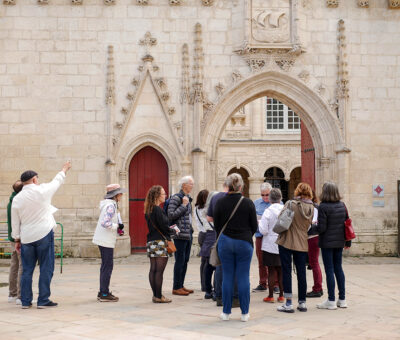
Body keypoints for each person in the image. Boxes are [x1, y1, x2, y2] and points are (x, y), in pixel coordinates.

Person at [11, 161, 72, 309]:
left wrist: (17, 239)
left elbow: (15, 222)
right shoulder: (42, 190)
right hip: (44, 234)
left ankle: (25, 301)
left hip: (26, 237)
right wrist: (64, 169)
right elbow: (56, 181)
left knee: (27, 270)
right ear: (34, 179)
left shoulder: (17, 199)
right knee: (46, 267)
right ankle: (43, 299)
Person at [214, 173, 258, 322]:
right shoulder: (248, 203)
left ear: (228, 185)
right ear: (240, 187)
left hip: (225, 241)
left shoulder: (220, 202)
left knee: (227, 277)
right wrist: (245, 235)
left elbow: (217, 226)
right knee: (243, 277)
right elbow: (254, 226)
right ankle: (245, 313)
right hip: (244, 242)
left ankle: (226, 312)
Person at [309, 182, 351, 310]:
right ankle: (342, 299)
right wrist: (348, 241)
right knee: (339, 268)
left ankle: (331, 300)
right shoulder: (342, 205)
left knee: (329, 270)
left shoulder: (323, 207)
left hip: (327, 243)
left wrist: (311, 227)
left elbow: (322, 228)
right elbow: (347, 223)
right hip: (339, 242)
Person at [276, 182, 314, 313]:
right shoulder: (311, 208)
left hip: (287, 240)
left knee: (286, 271)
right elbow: (309, 225)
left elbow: (280, 218)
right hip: (302, 242)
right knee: (301, 272)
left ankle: (288, 303)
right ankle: (302, 302)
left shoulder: (290, 204)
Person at [206, 183, 239, 308]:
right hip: (236, 236)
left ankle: (219, 295)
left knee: (220, 266)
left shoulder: (215, 198)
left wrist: (219, 224)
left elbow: (209, 218)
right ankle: (235, 298)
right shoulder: (241, 199)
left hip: (220, 235)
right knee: (235, 267)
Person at [93, 183, 126, 302]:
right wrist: (117, 226)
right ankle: (104, 294)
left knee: (105, 266)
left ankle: (103, 291)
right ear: (115, 195)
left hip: (103, 238)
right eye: (120, 193)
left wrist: (117, 228)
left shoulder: (108, 204)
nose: (121, 195)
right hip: (105, 240)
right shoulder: (111, 206)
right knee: (107, 266)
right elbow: (105, 223)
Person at [144, 185, 173, 303]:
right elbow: (164, 226)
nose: (165, 195)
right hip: (160, 242)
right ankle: (159, 296)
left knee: (153, 269)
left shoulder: (149, 209)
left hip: (151, 241)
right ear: (157, 195)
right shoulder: (157, 209)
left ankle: (155, 295)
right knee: (159, 271)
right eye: (163, 194)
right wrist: (173, 230)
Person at [168, 176, 194, 296]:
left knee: (185, 260)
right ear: (184, 185)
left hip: (187, 233)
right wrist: (183, 206)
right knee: (179, 260)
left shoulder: (187, 198)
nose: (192, 186)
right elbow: (171, 215)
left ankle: (181, 285)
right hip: (179, 234)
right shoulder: (176, 198)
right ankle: (176, 287)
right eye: (190, 184)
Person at [258, 188, 284, 303]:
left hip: (269, 243)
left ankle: (270, 296)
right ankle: (282, 295)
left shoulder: (268, 211)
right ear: (280, 198)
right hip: (283, 242)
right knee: (281, 270)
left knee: (271, 270)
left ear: (270, 199)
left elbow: (263, 230)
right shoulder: (285, 210)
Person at [195, 189, 216, 299]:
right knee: (215, 265)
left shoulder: (198, 209)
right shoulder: (211, 211)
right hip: (210, 235)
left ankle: (206, 287)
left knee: (206, 263)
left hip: (204, 234)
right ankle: (213, 289)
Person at [252, 182, 272, 292]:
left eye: (267, 194)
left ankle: (275, 284)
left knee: (274, 261)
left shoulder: (276, 203)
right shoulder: (256, 203)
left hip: (272, 237)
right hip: (260, 235)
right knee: (261, 261)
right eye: (263, 195)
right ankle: (263, 283)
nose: (265, 197)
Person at [7, 180, 24, 305]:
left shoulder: (11, 200)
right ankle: (20, 295)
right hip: (19, 238)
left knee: (14, 266)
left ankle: (12, 294)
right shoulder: (17, 201)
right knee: (22, 267)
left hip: (13, 238)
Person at [306, 191, 323, 298]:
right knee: (313, 262)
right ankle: (318, 287)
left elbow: (314, 222)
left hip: (312, 237)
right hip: (311, 237)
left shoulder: (314, 207)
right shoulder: (314, 206)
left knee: (314, 262)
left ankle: (317, 288)